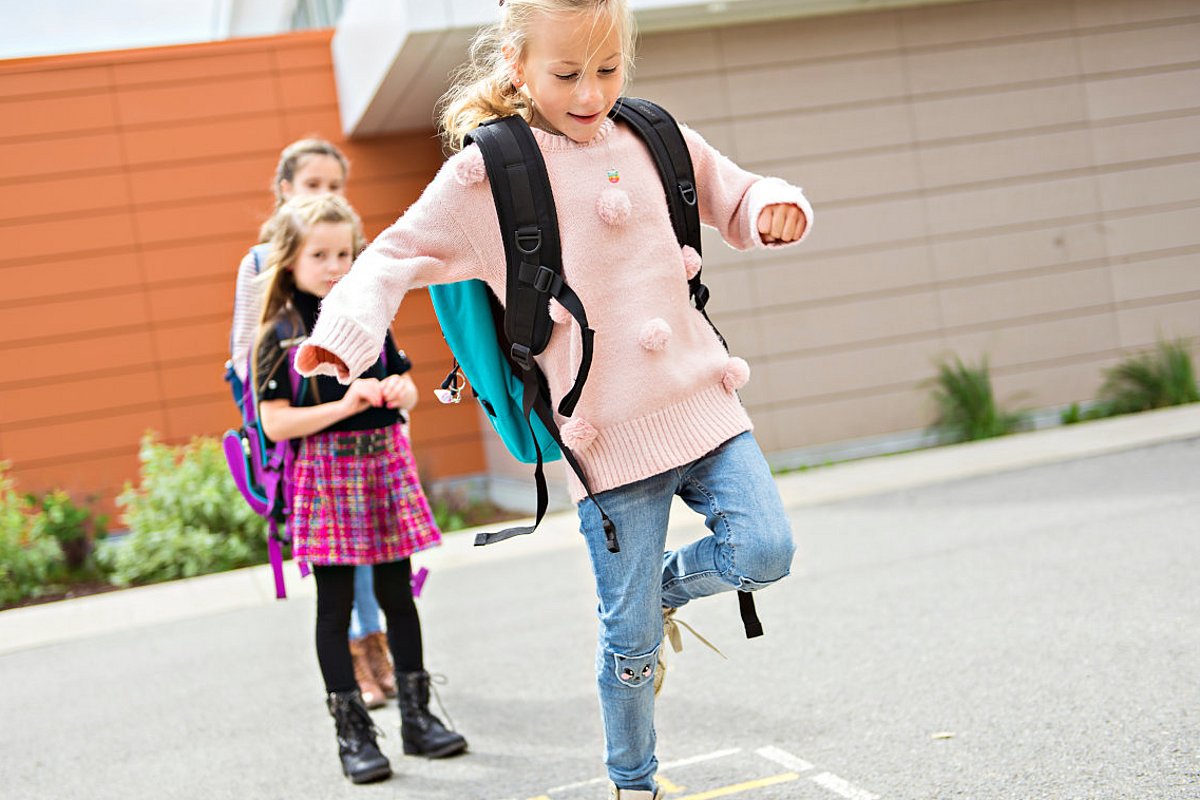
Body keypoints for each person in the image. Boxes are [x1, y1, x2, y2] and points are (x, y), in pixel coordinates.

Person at [295, 1, 811, 796]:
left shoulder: (654, 136)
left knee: (765, 550)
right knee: (630, 646)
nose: (591, 92)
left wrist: (773, 206)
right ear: (516, 63)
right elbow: (393, 255)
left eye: (608, 69)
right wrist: (347, 332)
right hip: (606, 442)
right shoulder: (488, 173)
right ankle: (631, 780)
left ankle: (659, 590)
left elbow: (734, 194)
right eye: (567, 73)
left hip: (705, 405)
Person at [253, 193, 468, 784]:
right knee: (337, 604)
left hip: (383, 464)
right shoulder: (281, 332)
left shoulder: (368, 314)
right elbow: (274, 422)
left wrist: (403, 391)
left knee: (400, 597)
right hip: (325, 474)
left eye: (344, 253)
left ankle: (419, 721)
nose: (334, 266)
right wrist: (345, 404)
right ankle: (354, 736)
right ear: (291, 260)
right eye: (319, 254)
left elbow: (403, 382)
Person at [228, 138, 396, 708]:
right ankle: (357, 654)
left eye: (334, 186)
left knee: (376, 548)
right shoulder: (262, 262)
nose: (325, 195)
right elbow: (246, 349)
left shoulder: (352, 256)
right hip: (305, 427)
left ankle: (376, 647)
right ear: (285, 190)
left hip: (366, 429)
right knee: (339, 557)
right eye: (312, 185)